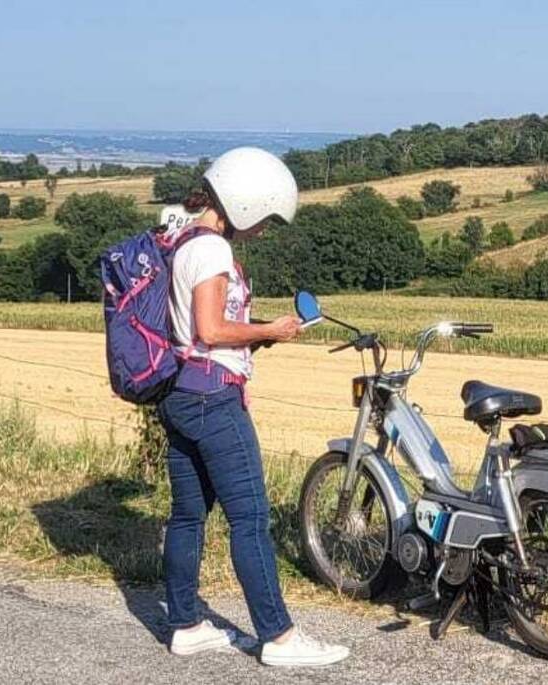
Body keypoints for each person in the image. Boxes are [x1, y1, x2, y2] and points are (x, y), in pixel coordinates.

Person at [156, 147, 349, 667]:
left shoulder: (181, 240)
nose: (263, 229)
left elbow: (195, 334)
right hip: (214, 399)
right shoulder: (214, 251)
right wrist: (271, 328)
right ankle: (279, 638)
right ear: (243, 203)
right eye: (263, 218)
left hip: (178, 392)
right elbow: (212, 330)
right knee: (251, 519)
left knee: (188, 515)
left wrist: (257, 338)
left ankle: (185, 625)